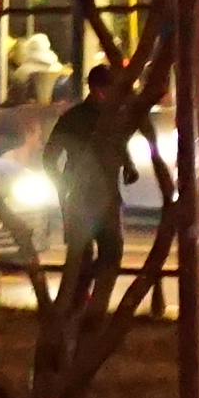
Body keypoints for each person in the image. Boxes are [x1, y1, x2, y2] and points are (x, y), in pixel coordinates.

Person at [44, 59, 144, 300]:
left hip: (106, 197)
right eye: (110, 89)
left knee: (108, 252)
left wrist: (128, 167)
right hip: (82, 199)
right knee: (84, 255)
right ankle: (76, 307)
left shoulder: (112, 117)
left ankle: (82, 307)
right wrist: (63, 187)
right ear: (98, 90)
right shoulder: (75, 118)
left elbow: (118, 146)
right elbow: (50, 157)